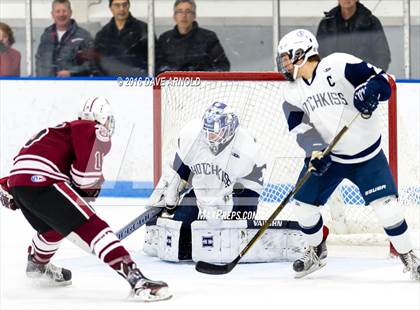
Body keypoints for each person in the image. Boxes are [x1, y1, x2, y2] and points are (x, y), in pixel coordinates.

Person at [277, 28, 419, 280]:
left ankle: (410, 257)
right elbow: (300, 128)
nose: (284, 64)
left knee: (388, 210)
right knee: (302, 206)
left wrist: (370, 92)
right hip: (331, 158)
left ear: (301, 53)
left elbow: (384, 80)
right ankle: (316, 250)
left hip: (367, 157)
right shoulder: (291, 91)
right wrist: (315, 151)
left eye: (287, 57)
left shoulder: (337, 64)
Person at [0, 97, 171, 301]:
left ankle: (38, 265)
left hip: (19, 183)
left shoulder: (62, 130)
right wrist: (92, 185)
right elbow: (84, 179)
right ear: (103, 119)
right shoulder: (92, 128)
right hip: (44, 180)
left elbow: (28, 165)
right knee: (94, 227)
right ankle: (138, 281)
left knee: (53, 227)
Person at [144, 102, 305, 263]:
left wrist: (227, 205)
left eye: (216, 132)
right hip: (204, 188)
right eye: (207, 131)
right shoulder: (191, 135)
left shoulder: (246, 149)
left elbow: (251, 189)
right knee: (182, 232)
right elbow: (182, 166)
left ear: (229, 130)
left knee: (231, 235)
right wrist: (173, 184)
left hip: (238, 191)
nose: (210, 137)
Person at [156, 0, 230, 74]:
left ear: (194, 16)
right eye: (179, 11)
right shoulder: (165, 39)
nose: (184, 15)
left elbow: (223, 66)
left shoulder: (208, 37)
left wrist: (198, 72)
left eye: (188, 11)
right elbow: (157, 66)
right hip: (172, 83)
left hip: (201, 83)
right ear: (174, 16)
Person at [316, 0, 391, 71]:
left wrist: (372, 77)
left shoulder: (371, 22)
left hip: (364, 80)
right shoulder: (327, 23)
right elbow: (318, 54)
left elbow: (383, 56)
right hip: (334, 80)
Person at [35, 0, 95, 77]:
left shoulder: (83, 36)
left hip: (74, 86)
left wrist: (72, 73)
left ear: (70, 12)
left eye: (64, 11)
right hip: (47, 86)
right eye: (58, 11)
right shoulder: (46, 35)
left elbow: (92, 64)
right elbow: (39, 59)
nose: (61, 14)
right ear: (52, 14)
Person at [94, 0, 152, 76]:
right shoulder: (102, 34)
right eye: (117, 5)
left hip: (136, 82)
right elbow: (98, 63)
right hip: (110, 82)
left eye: (125, 5)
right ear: (110, 8)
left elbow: (153, 59)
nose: (121, 9)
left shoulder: (143, 29)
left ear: (129, 6)